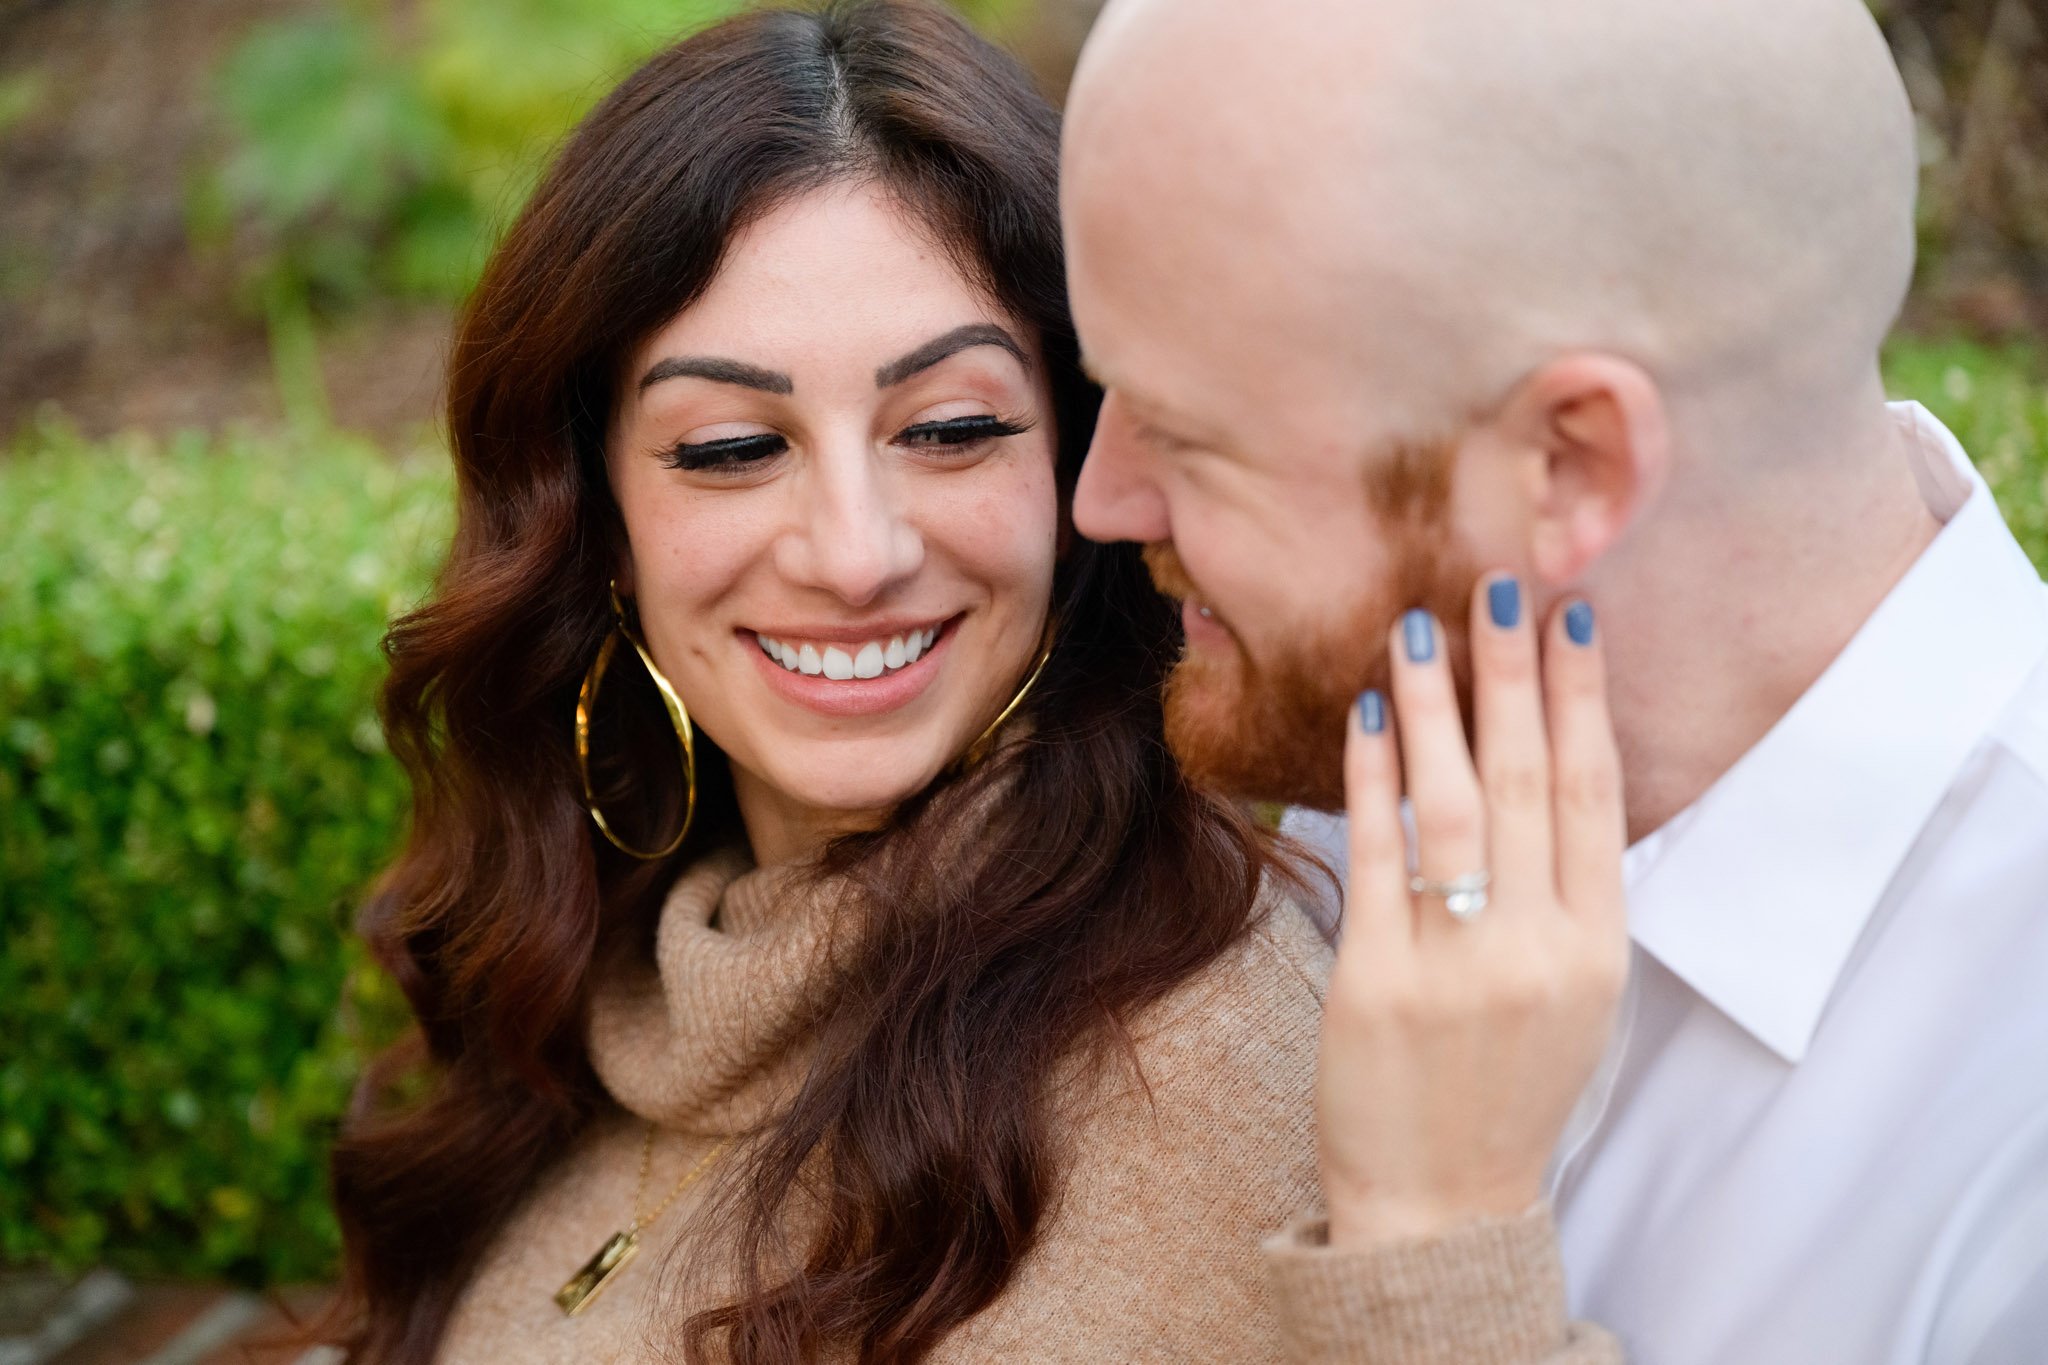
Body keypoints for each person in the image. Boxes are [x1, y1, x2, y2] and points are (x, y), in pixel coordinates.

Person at [311, 3, 1631, 1362]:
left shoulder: (1196, 1077)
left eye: (951, 429)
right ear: (597, 522)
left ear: (1078, 469)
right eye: (727, 447)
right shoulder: (607, 960)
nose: (855, 553)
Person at [1061, 0, 2048, 1361]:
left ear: (1571, 464)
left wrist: (1431, 1259)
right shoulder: (1389, 712)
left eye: (1184, 431)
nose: (1101, 499)